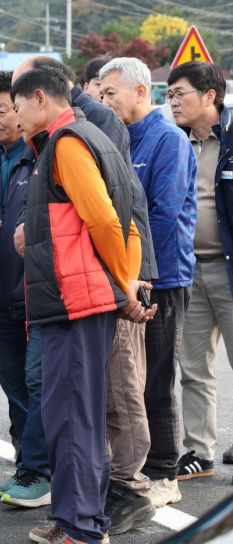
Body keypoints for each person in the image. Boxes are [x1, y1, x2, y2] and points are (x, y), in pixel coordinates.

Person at [13, 55, 161, 530]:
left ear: (39, 97)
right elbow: (129, 222)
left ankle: (79, 527)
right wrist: (126, 284)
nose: (14, 116)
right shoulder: (89, 136)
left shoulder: (68, 142)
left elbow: (105, 219)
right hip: (78, 303)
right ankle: (77, 518)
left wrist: (123, 287)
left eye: (17, 104)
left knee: (73, 419)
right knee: (74, 417)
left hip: (75, 305)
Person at [100, 58, 197, 517]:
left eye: (111, 93)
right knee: (130, 381)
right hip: (130, 276)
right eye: (100, 93)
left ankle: (164, 472)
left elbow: (161, 213)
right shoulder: (119, 138)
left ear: (141, 92)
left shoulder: (169, 139)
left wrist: (138, 274)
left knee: (157, 377)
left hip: (163, 276)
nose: (104, 101)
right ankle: (140, 470)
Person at [0, 71, 49, 508]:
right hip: (1, 295)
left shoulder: (41, 158)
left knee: (37, 382)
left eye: (3, 109)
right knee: (13, 382)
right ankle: (28, 464)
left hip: (36, 295)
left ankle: (41, 471)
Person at [168, 62, 233, 478]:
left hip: (229, 271)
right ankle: (199, 451)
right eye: (169, 94)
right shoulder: (174, 142)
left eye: (179, 94)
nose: (171, 101)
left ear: (209, 96)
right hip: (189, 271)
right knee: (192, 368)